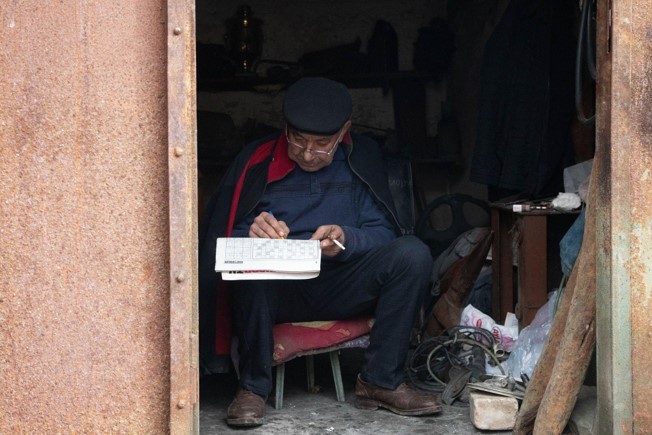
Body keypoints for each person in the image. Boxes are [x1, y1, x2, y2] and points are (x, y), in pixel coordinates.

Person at [198, 77, 441, 427]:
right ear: (285, 128)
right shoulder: (256, 161)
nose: (308, 153)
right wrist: (253, 234)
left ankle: (380, 381)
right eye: (298, 140)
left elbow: (384, 233)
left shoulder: (362, 160)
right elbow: (219, 241)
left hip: (343, 283)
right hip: (279, 290)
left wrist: (346, 239)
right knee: (250, 272)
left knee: (412, 254)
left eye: (322, 144)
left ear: (345, 131)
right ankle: (252, 388)